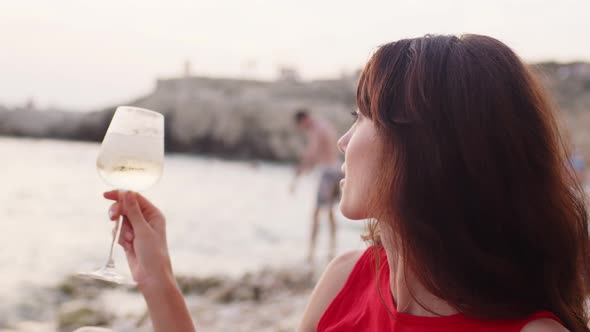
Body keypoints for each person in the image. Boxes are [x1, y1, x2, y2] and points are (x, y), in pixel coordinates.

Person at [77, 34, 590, 332]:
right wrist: (159, 281)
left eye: (364, 116)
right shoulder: (346, 278)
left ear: (430, 149)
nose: (344, 140)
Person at [291, 109, 343, 263]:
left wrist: (297, 176)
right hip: (337, 169)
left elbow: (312, 154)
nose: (302, 129)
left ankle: (311, 253)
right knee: (331, 212)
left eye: (300, 125)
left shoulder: (316, 129)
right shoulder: (325, 125)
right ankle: (332, 250)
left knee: (316, 213)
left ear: (303, 120)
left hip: (327, 172)